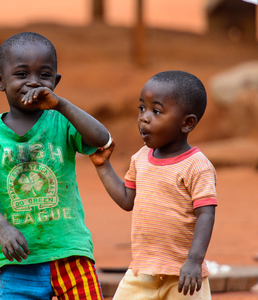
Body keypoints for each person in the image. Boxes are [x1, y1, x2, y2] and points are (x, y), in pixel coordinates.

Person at [0, 31, 110, 300]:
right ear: (0, 81)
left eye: (44, 75)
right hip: (19, 257)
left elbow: (101, 139)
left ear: (55, 81)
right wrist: (2, 227)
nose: (33, 83)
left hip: (70, 252)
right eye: (21, 74)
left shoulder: (62, 122)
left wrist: (61, 105)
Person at [90, 70, 217, 299]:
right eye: (142, 108)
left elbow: (206, 214)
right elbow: (128, 200)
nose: (144, 117)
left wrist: (194, 261)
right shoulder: (140, 158)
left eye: (156, 111)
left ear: (187, 123)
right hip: (142, 273)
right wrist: (103, 166)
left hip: (183, 275)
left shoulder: (197, 165)